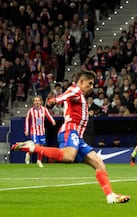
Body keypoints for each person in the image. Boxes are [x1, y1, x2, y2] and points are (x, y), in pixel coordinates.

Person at [11, 70, 130, 204]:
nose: (91, 87)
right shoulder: (76, 90)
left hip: (78, 137)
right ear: (81, 82)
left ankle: (110, 196)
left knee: (100, 164)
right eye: (89, 83)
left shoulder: (80, 96)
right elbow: (67, 94)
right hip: (70, 130)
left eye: (93, 84)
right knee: (68, 157)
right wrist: (54, 100)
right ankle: (33, 147)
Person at [24, 95, 56, 167]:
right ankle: (29, 153)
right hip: (34, 131)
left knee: (41, 147)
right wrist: (26, 129)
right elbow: (27, 120)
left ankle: (39, 161)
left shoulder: (44, 109)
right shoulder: (31, 110)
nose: (37, 102)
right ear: (33, 102)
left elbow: (48, 116)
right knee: (37, 146)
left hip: (42, 131)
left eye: (38, 100)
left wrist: (53, 121)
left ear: (41, 102)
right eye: (35, 101)